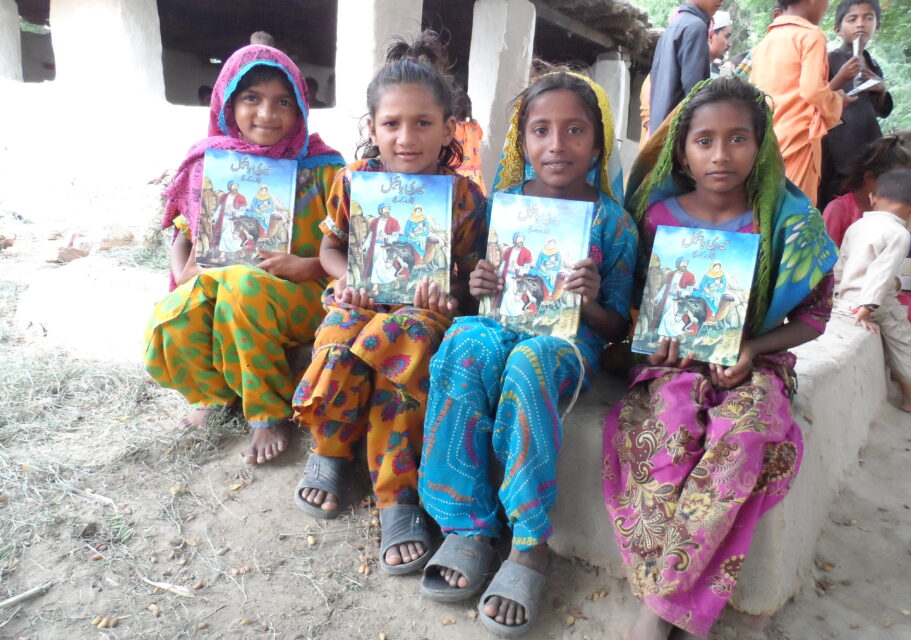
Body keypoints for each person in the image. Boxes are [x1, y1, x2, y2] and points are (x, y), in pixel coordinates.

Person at [603, 76, 837, 640]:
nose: (720, 154)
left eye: (738, 138)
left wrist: (753, 347)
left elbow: (815, 315)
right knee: (669, 430)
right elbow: (637, 305)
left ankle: (658, 610)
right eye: (704, 140)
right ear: (681, 151)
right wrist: (654, 343)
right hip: (672, 367)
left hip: (754, 365)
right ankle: (680, 602)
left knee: (746, 436)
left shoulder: (788, 222)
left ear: (761, 145)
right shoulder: (656, 218)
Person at [417, 70, 638, 637]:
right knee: (465, 341)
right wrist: (481, 281)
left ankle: (529, 542)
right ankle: (466, 523)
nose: (557, 145)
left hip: (567, 342)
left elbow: (617, 326)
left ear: (598, 142)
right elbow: (475, 290)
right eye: (541, 130)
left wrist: (589, 301)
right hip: (503, 323)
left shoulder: (613, 222)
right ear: (522, 140)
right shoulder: (507, 203)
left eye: (574, 130)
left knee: (529, 361)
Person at [289, 33, 487, 575]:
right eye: (392, 124)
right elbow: (330, 247)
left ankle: (395, 495)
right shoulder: (353, 181)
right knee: (337, 335)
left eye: (423, 123)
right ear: (372, 127)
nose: (406, 137)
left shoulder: (466, 197)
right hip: (361, 297)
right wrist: (347, 275)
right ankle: (330, 449)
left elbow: (472, 273)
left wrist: (451, 293)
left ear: (449, 129)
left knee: (412, 343)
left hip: (425, 311)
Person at [144, 45, 345, 464]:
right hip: (225, 284)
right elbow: (184, 230)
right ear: (228, 101)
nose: (267, 114)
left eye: (283, 102)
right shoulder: (212, 163)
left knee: (244, 285)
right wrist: (185, 272)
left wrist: (307, 265)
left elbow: (350, 243)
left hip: (302, 293)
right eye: (252, 98)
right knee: (175, 314)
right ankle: (215, 394)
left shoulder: (326, 167)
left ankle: (268, 412)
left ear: (301, 107)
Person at [822, 135, 911, 377]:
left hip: (885, 288)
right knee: (909, 311)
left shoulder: (900, 217)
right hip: (855, 291)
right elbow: (829, 261)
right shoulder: (841, 209)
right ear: (870, 180)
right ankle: (903, 377)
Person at [834, 169, 911, 414]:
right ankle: (910, 397)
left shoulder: (857, 225)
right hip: (873, 304)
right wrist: (868, 308)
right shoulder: (898, 233)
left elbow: (841, 265)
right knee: (903, 339)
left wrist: (837, 297)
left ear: (872, 197)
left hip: (844, 299)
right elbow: (882, 273)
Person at [750, 0, 859, 204]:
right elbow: (812, 91)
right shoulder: (810, 36)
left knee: (766, 211)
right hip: (797, 140)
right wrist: (838, 100)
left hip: (766, 141)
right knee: (795, 217)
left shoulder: (766, 42)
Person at [817, 0, 894, 209]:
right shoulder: (829, 59)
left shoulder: (872, 64)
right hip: (837, 150)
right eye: (852, 19)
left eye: (868, 18)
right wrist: (841, 78)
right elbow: (817, 99)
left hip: (868, 146)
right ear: (838, 29)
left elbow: (878, 110)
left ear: (877, 26)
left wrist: (881, 89)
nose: (860, 24)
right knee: (836, 209)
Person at [640, 9, 732, 145]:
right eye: (727, 36)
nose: (728, 43)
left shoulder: (719, 74)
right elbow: (650, 120)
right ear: (711, 36)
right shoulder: (659, 75)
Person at [452, 89, 487, 194]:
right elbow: (480, 136)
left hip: (456, 176)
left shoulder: (451, 128)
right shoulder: (475, 125)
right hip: (475, 176)